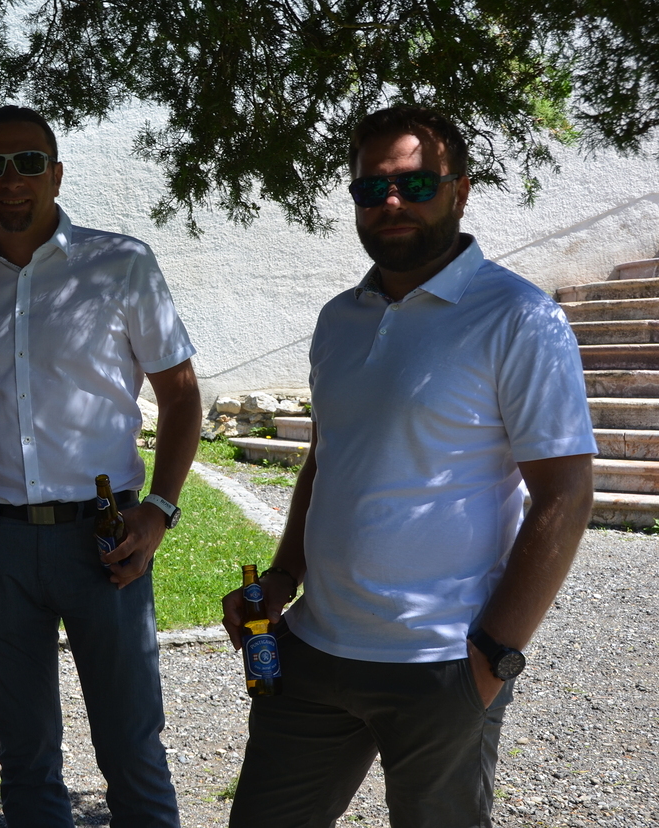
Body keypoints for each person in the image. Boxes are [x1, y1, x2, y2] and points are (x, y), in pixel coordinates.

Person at [221, 105, 597, 827]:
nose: (391, 201)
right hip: (313, 649)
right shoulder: (339, 318)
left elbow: (566, 494)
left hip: (441, 664)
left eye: (416, 184)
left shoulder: (518, 317)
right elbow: (327, 459)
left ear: (460, 191)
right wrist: (283, 577)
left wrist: (492, 658)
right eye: (371, 188)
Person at [0, 105, 202, 827]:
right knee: (26, 757)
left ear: (57, 174)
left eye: (29, 162)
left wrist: (159, 511)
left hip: (106, 541)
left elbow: (182, 397)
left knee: (132, 748)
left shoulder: (122, 264)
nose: (11, 179)